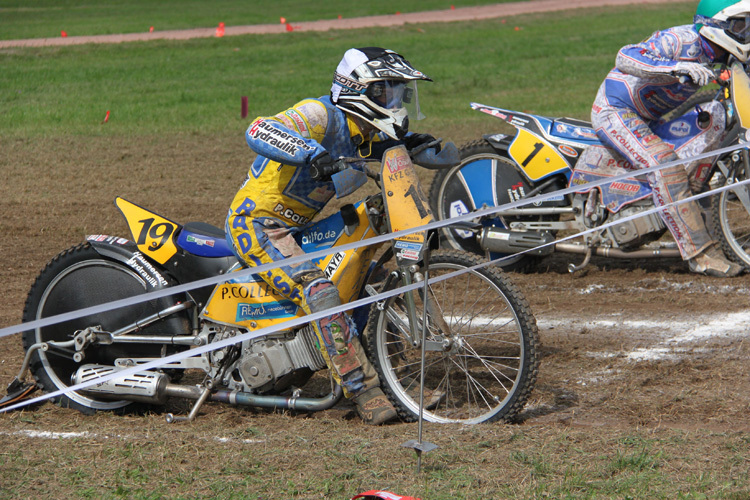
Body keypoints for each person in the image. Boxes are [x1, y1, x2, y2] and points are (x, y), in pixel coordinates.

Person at [225, 47, 441, 425]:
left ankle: (394, 377)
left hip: (300, 228)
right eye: (386, 92)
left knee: (369, 277)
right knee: (319, 290)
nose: (396, 101)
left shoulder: (367, 132)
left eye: (399, 93)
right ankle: (363, 390)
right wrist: (310, 152)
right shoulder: (320, 114)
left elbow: (407, 155)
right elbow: (258, 128)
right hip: (258, 224)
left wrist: (418, 146)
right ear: (359, 91)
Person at [591, 0, 750, 277]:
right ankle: (699, 254)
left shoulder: (727, 54)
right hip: (617, 110)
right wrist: (675, 68)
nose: (746, 33)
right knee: (666, 166)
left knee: (705, 149)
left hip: (652, 116)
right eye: (740, 26)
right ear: (717, 26)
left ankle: (705, 231)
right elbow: (625, 56)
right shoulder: (680, 40)